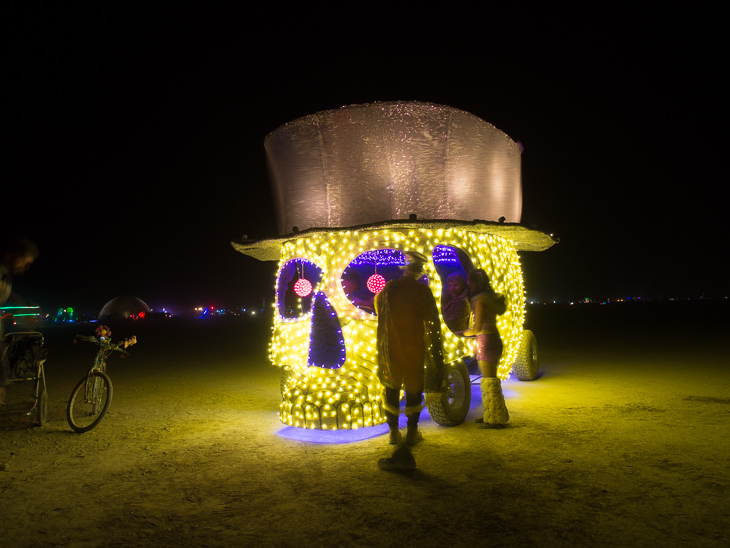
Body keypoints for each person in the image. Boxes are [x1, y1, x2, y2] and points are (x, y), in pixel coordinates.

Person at [375, 251, 444, 445]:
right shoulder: (422, 291)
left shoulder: (388, 288)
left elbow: (380, 315)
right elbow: (433, 325)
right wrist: (437, 354)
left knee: (391, 387)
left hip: (390, 347)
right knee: (414, 388)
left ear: (404, 270)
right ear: (420, 272)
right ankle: (412, 432)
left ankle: (393, 433)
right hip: (414, 347)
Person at [463, 268, 509, 428]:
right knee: (492, 380)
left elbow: (477, 328)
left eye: (470, 280)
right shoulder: (490, 298)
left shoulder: (479, 300)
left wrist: (462, 333)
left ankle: (494, 418)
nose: (468, 283)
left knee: (489, 382)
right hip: (494, 338)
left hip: (486, 341)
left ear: (477, 282)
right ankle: (494, 414)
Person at [0, 238, 39, 404]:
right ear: (11, 255)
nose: (27, 267)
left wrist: (25, 303)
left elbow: (7, 294)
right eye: (25, 261)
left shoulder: (5, 274)